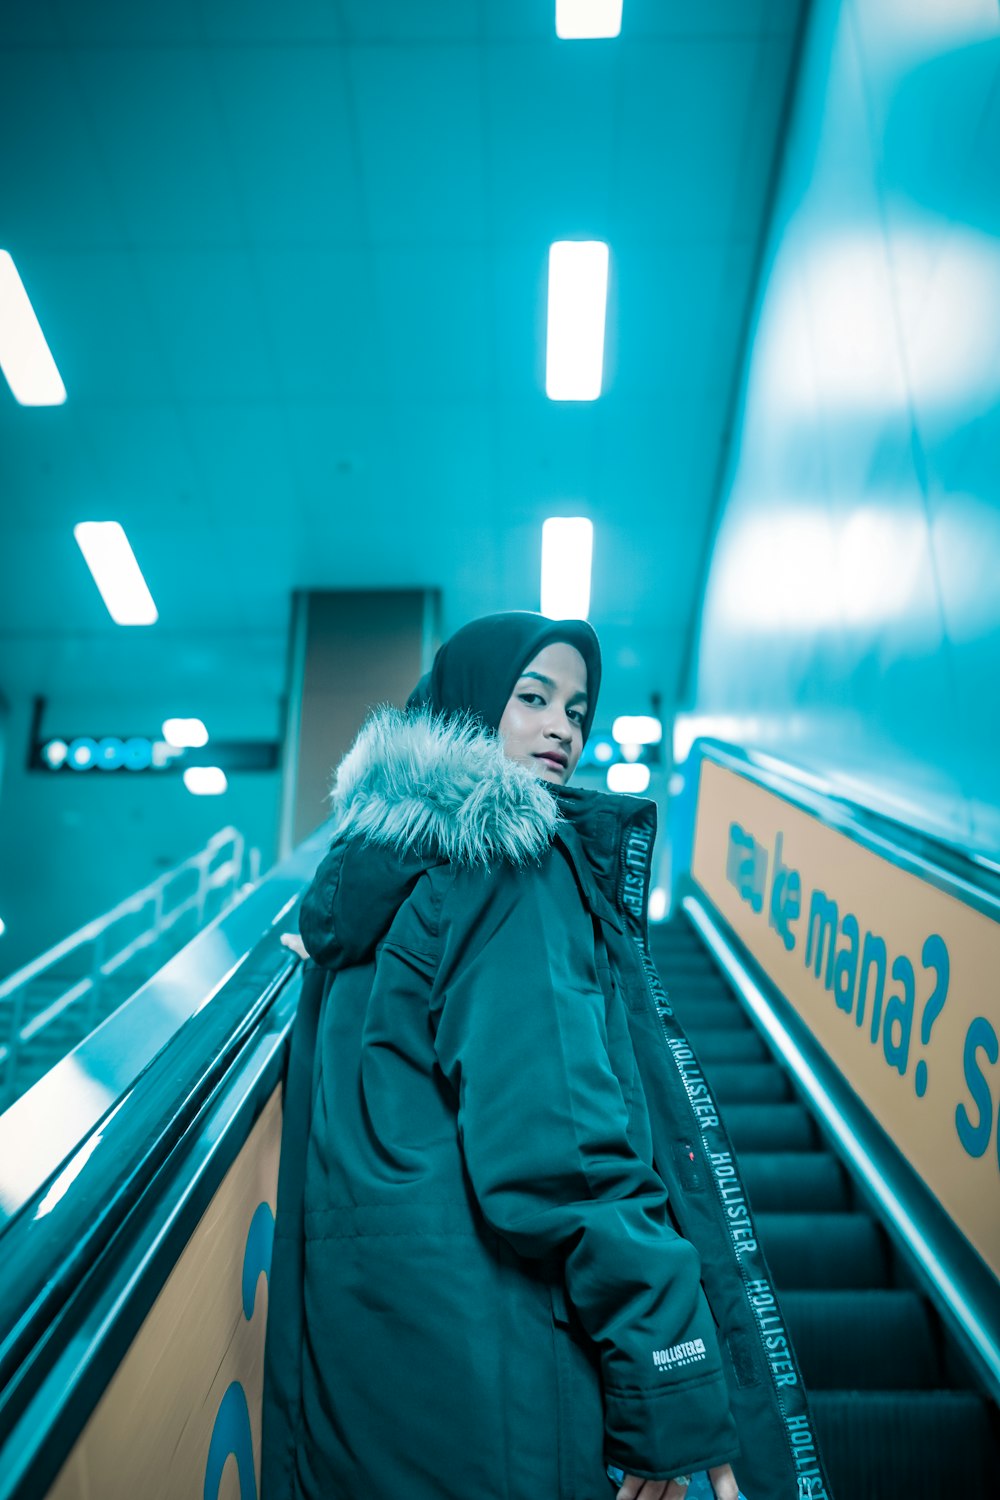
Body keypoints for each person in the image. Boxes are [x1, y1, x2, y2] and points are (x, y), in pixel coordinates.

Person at [262, 611, 831, 1500]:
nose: (563, 726)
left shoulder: (372, 883)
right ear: (469, 707)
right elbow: (562, 1148)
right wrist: (668, 1378)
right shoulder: (505, 864)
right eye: (533, 698)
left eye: (577, 708)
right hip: (502, 1381)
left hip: (375, 1375)